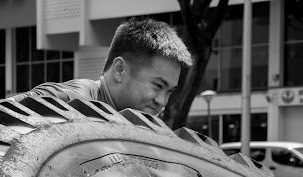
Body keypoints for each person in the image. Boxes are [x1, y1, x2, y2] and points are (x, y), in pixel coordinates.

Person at [11, 18, 193, 116]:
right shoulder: (75, 98)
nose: (162, 101)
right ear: (120, 69)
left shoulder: (134, 122)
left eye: (169, 92)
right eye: (158, 86)